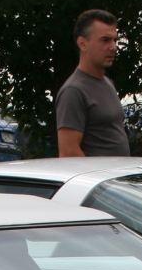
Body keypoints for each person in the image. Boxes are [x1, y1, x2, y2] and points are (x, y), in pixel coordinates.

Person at [56, 9, 131, 158]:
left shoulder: (107, 82)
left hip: (118, 178)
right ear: (82, 44)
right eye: (105, 40)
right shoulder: (74, 91)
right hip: (99, 180)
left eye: (114, 40)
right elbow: (69, 153)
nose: (113, 47)